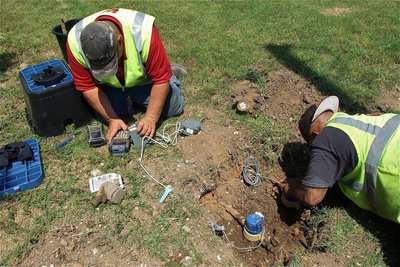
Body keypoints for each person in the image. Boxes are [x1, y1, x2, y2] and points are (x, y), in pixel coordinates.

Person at [66, 8, 185, 142]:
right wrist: (112, 119)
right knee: (106, 115)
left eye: (111, 63)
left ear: (120, 41)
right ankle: (130, 96)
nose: (109, 70)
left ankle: (167, 71)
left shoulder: (143, 31)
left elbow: (160, 81)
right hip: (110, 85)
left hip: (143, 80)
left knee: (174, 108)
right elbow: (87, 86)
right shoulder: (74, 41)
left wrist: (151, 117)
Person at [277, 96, 399, 223]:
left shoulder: (326, 137)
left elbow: (311, 197)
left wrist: (292, 188)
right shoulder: (366, 120)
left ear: (315, 136)